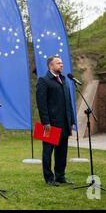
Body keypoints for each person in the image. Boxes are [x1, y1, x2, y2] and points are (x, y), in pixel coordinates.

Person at [36, 56, 76, 186]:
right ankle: (49, 178)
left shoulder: (64, 80)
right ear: (50, 66)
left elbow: (68, 101)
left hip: (64, 122)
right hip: (50, 124)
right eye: (58, 63)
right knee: (48, 152)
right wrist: (45, 122)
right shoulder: (43, 80)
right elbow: (41, 104)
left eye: (62, 63)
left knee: (62, 151)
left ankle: (60, 176)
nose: (61, 65)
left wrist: (72, 120)